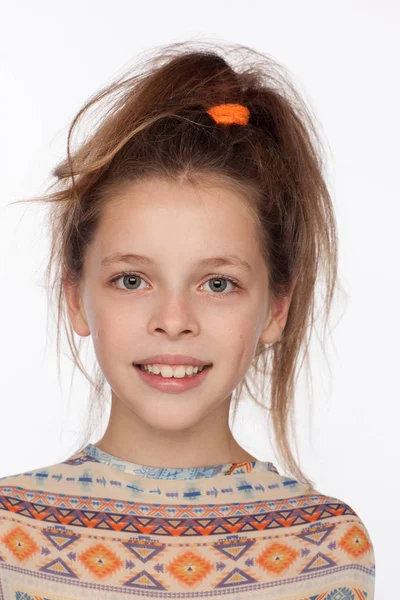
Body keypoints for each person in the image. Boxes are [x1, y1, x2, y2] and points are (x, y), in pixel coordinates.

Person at [0, 41, 375, 598]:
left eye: (217, 284)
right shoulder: (10, 537)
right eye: (132, 280)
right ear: (76, 298)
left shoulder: (328, 548)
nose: (173, 321)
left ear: (276, 309)